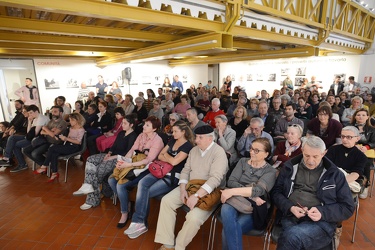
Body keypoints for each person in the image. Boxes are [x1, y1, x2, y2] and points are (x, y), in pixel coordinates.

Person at [271, 136, 355, 250]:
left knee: (292, 237)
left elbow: (348, 207)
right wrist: (290, 207)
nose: (310, 161)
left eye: (315, 156)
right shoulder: (289, 167)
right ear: (302, 151)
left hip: (321, 222)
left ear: (324, 153)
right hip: (291, 216)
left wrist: (322, 212)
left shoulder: (335, 174)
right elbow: (276, 193)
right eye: (307, 155)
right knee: (293, 238)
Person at [154, 125, 228, 250]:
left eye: (200, 138)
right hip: (190, 185)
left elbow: (215, 179)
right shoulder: (194, 150)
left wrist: (197, 195)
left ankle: (179, 247)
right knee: (167, 201)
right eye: (196, 137)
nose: (196, 140)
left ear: (210, 139)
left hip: (209, 191)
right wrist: (182, 190)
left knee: (193, 218)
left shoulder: (219, 153)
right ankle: (167, 243)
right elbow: (185, 170)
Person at [124, 121, 194, 238]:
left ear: (183, 132)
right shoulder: (173, 140)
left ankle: (140, 223)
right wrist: (169, 157)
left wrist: (167, 157)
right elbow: (160, 155)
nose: (173, 133)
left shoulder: (188, 146)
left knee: (145, 193)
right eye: (173, 130)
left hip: (173, 176)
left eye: (176, 131)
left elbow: (174, 162)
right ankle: (139, 222)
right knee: (142, 183)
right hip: (160, 170)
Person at [221, 138, 277, 250]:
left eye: (257, 150)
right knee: (226, 211)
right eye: (251, 149)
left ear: (266, 154)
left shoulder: (270, 171)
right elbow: (231, 181)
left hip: (254, 208)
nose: (251, 152)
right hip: (234, 201)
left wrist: (232, 191)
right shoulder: (242, 162)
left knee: (228, 230)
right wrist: (251, 194)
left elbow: (258, 190)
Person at [109, 116, 164, 228]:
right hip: (133, 164)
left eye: (147, 125)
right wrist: (122, 161)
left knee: (120, 185)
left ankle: (124, 213)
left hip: (146, 169)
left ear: (154, 129)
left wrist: (129, 164)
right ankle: (127, 203)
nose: (144, 126)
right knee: (111, 180)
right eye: (144, 124)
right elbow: (132, 150)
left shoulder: (157, 141)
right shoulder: (141, 135)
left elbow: (148, 160)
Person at [73, 115, 137, 210]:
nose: (122, 125)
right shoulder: (121, 133)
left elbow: (127, 152)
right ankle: (87, 185)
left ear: (131, 125)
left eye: (125, 123)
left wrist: (112, 157)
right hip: (112, 155)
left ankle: (92, 199)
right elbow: (114, 145)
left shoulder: (133, 136)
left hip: (120, 159)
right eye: (122, 122)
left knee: (98, 170)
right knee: (90, 159)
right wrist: (109, 153)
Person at [33, 113, 86, 182]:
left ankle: (44, 166)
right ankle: (54, 173)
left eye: (71, 120)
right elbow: (66, 136)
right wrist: (60, 136)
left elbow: (78, 142)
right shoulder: (71, 128)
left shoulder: (81, 129)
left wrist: (66, 139)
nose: (70, 122)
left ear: (76, 120)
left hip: (74, 147)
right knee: (54, 153)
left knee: (52, 148)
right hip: (68, 145)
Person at [5, 105, 49, 172]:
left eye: (31, 113)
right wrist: (29, 122)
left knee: (15, 145)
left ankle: (22, 164)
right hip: (32, 137)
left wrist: (29, 134)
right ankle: (7, 157)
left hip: (38, 139)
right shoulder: (35, 119)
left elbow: (35, 133)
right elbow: (28, 132)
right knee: (12, 138)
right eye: (29, 113)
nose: (29, 114)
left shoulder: (41, 118)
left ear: (36, 111)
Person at [350, 108, 375, 198]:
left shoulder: (372, 129)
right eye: (358, 115)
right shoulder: (350, 127)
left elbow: (373, 142)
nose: (361, 117)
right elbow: (345, 138)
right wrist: (354, 144)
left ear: (367, 117)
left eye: (363, 115)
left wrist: (366, 147)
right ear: (355, 116)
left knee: (366, 162)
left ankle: (365, 184)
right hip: (352, 149)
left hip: (366, 151)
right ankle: (352, 182)